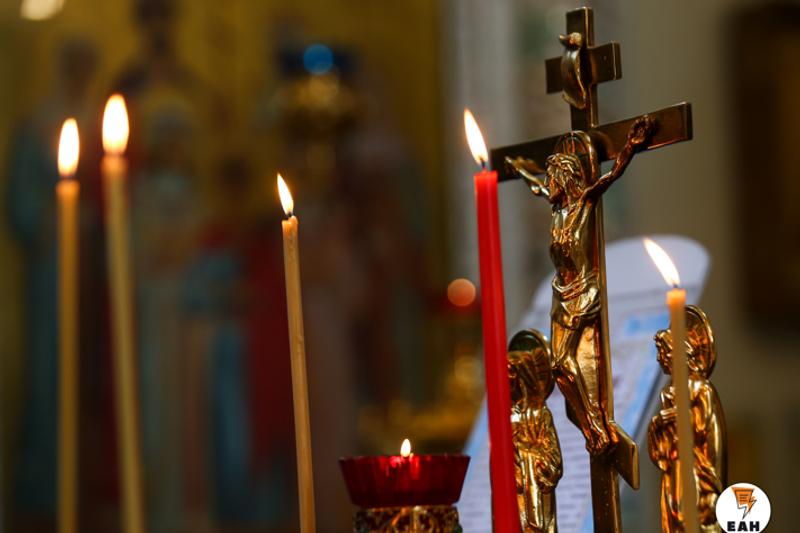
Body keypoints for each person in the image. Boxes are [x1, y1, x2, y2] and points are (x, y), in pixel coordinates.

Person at [507, 116, 654, 454]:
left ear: (566, 178)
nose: (550, 184)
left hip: (582, 292)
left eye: (553, 178)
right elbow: (536, 187)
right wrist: (520, 170)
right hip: (560, 293)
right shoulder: (556, 211)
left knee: (560, 362)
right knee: (559, 369)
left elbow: (609, 177)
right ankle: (590, 425)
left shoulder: (583, 204)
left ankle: (595, 423)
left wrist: (630, 147)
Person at [648, 306, 727, 533]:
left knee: (688, 515)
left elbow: (700, 427)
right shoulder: (668, 393)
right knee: (673, 515)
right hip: (675, 466)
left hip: (697, 469)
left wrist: (671, 417)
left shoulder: (701, 389)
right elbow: (662, 446)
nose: (659, 359)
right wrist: (657, 426)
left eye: (663, 353)